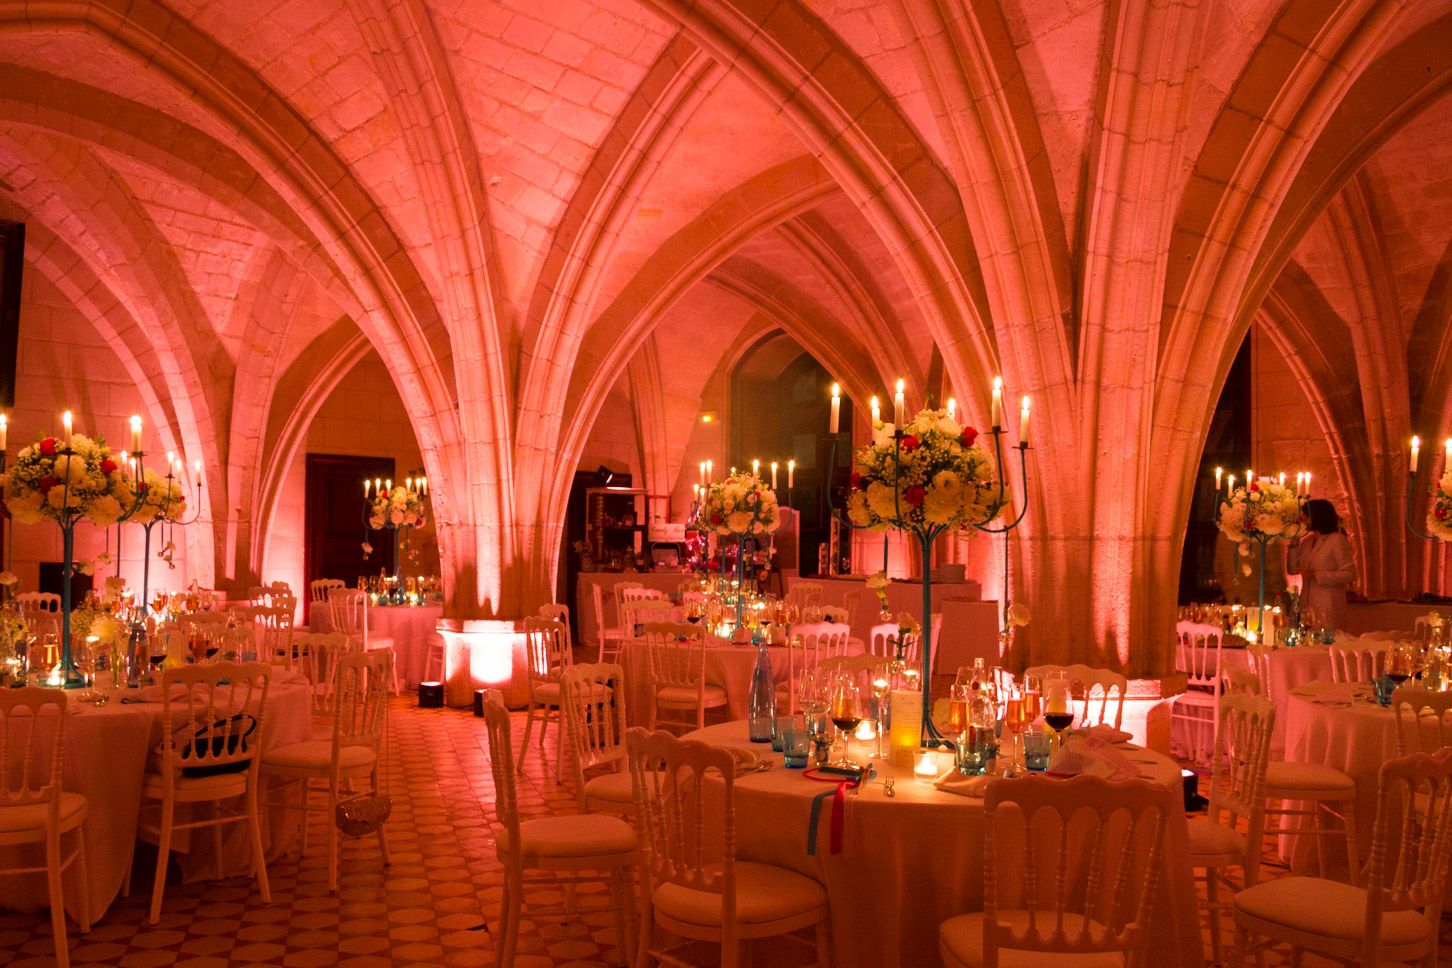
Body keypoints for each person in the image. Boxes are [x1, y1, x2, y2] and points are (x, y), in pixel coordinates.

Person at [1285, 499, 1356, 632]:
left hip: (1328, 603)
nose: (1303, 518)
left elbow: (1349, 574)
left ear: (1317, 516)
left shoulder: (1336, 540)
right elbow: (1293, 569)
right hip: (1307, 603)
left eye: (1306, 515)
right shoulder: (1307, 541)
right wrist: (1293, 545)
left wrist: (1317, 575)